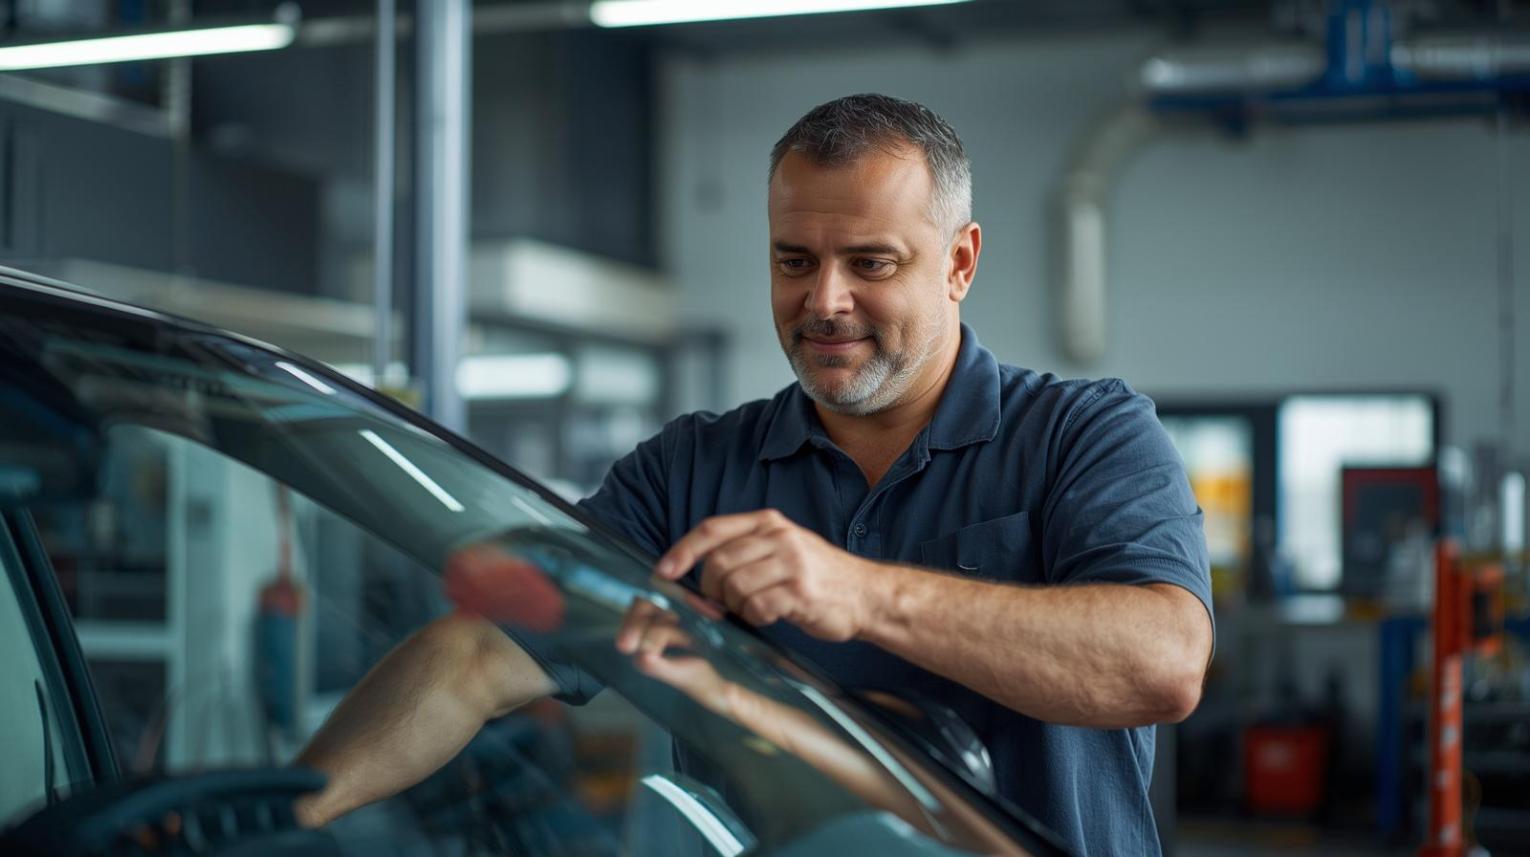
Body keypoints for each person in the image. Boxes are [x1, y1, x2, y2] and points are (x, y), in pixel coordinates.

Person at [296, 93, 1213, 857]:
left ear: (960, 263)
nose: (824, 301)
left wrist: (864, 596)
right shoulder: (690, 471)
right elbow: (476, 653)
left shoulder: (1083, 433)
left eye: (870, 263)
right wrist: (289, 812)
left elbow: (1163, 662)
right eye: (794, 261)